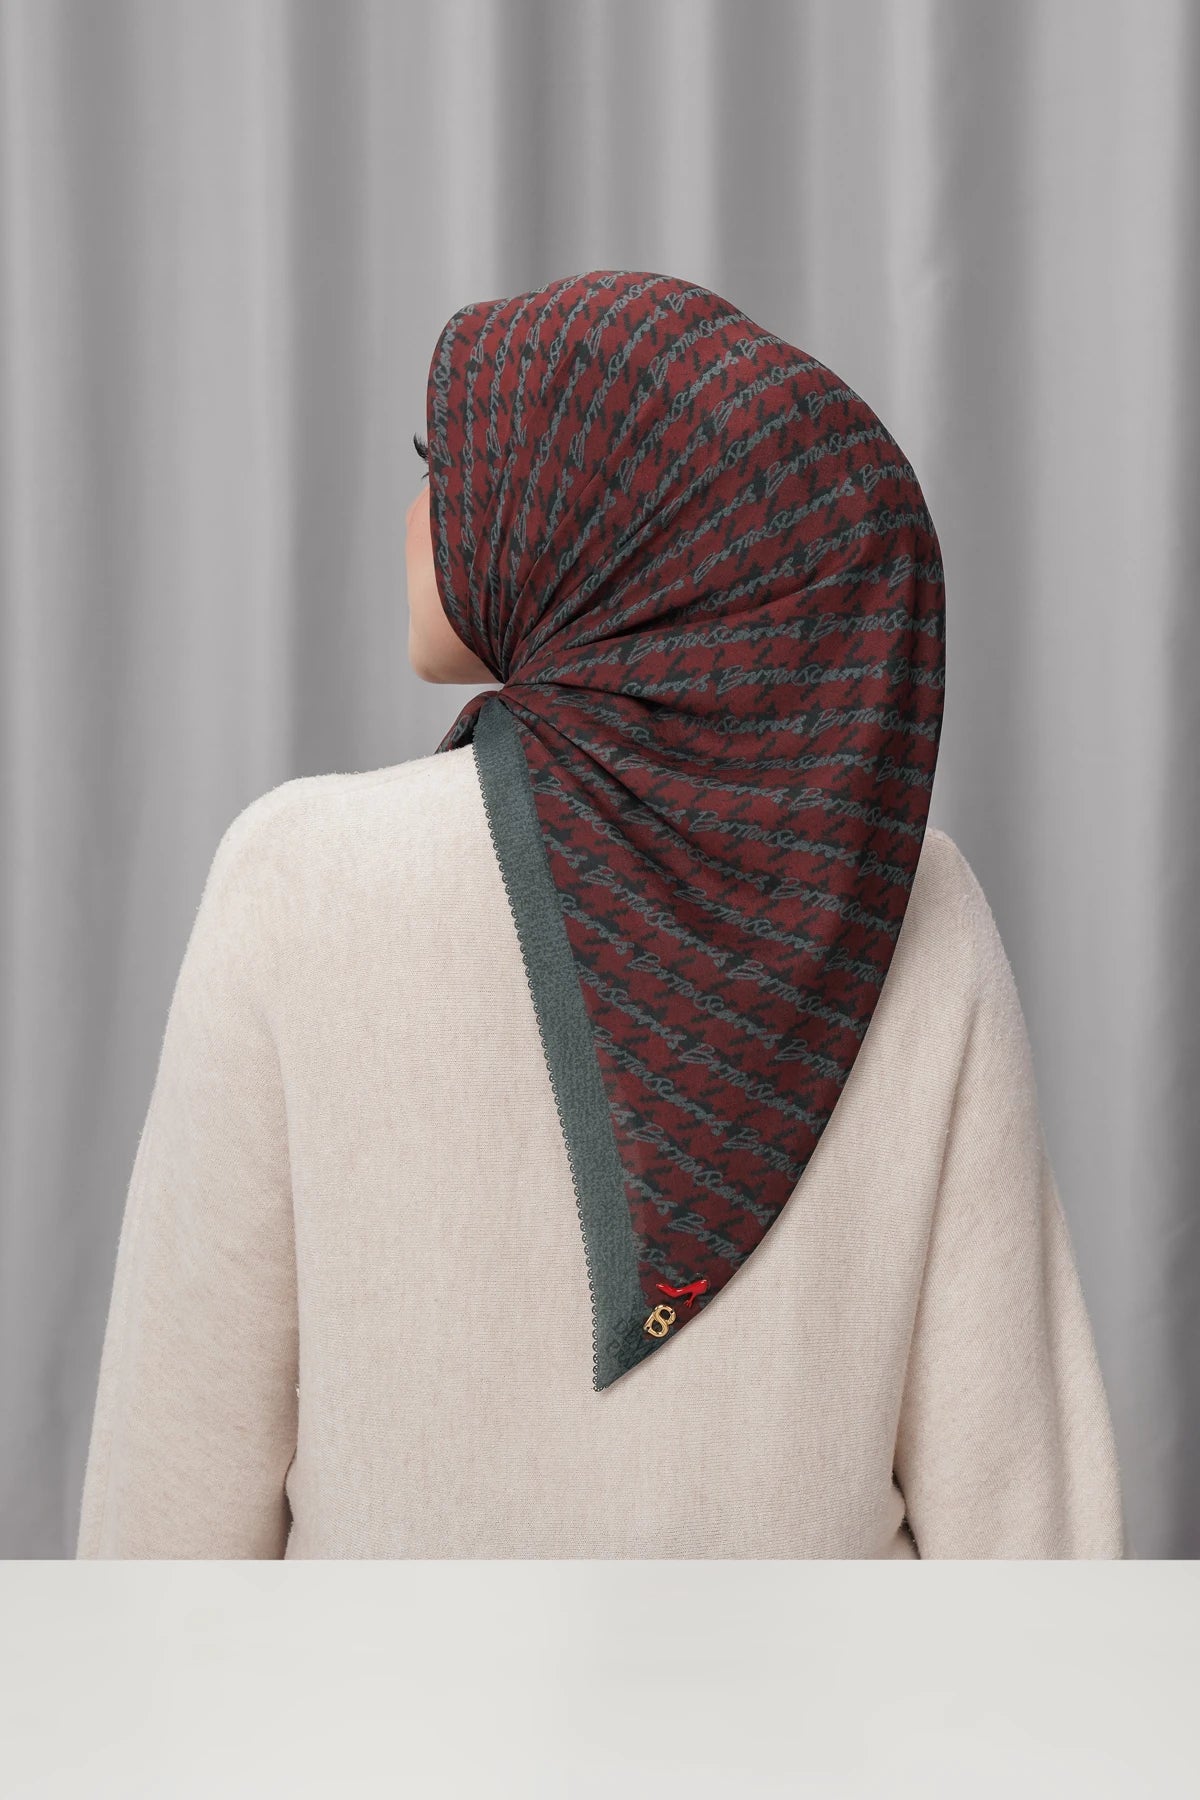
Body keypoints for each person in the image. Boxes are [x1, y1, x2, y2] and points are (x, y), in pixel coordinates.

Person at [77, 270, 1125, 1558]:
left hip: (378, 1700)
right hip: (821, 1699)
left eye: (440, 470)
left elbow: (168, 1506)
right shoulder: (900, 894)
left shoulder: (295, 876)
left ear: (583, 519)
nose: (411, 518)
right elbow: (1026, 1526)